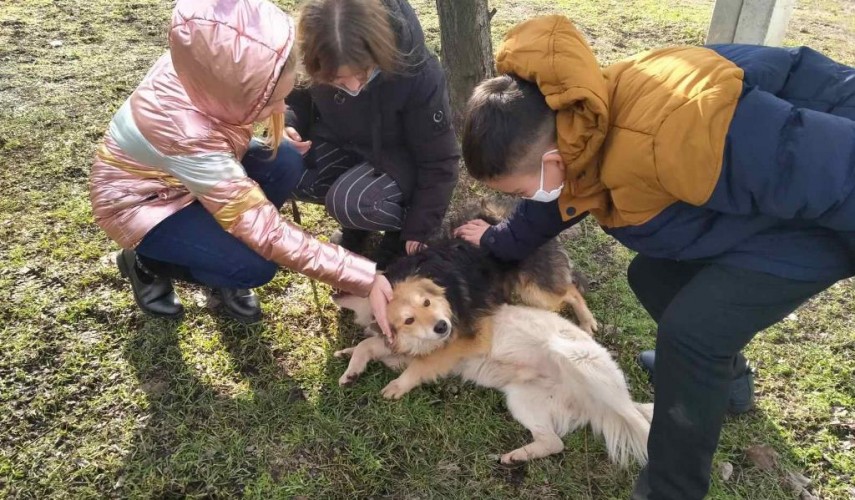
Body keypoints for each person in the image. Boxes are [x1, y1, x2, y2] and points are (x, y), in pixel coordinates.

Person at [453, 15, 855, 499]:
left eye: (519, 190)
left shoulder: (681, 130)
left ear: (551, 163)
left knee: (694, 332)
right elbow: (553, 206)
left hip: (832, 195)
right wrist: (496, 241)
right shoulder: (580, 122)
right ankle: (728, 385)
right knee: (652, 275)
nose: (526, 198)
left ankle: (670, 489)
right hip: (778, 186)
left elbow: (834, 170)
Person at [89, 0, 393, 331]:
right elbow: (265, 229)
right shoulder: (187, 134)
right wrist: (365, 276)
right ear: (234, 93)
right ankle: (148, 263)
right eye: (269, 101)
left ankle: (219, 253)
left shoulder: (208, 65)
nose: (280, 108)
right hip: (146, 203)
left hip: (196, 171)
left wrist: (282, 126)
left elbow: (224, 142)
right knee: (255, 267)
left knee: (286, 159)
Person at [285, 0, 460, 267]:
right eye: (337, 81)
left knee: (351, 201)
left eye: (362, 73)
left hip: (398, 161)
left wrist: (420, 229)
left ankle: (397, 231)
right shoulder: (316, 53)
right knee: (282, 166)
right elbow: (297, 96)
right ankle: (356, 225)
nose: (353, 87)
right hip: (339, 142)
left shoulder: (417, 73)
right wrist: (290, 125)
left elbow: (440, 160)